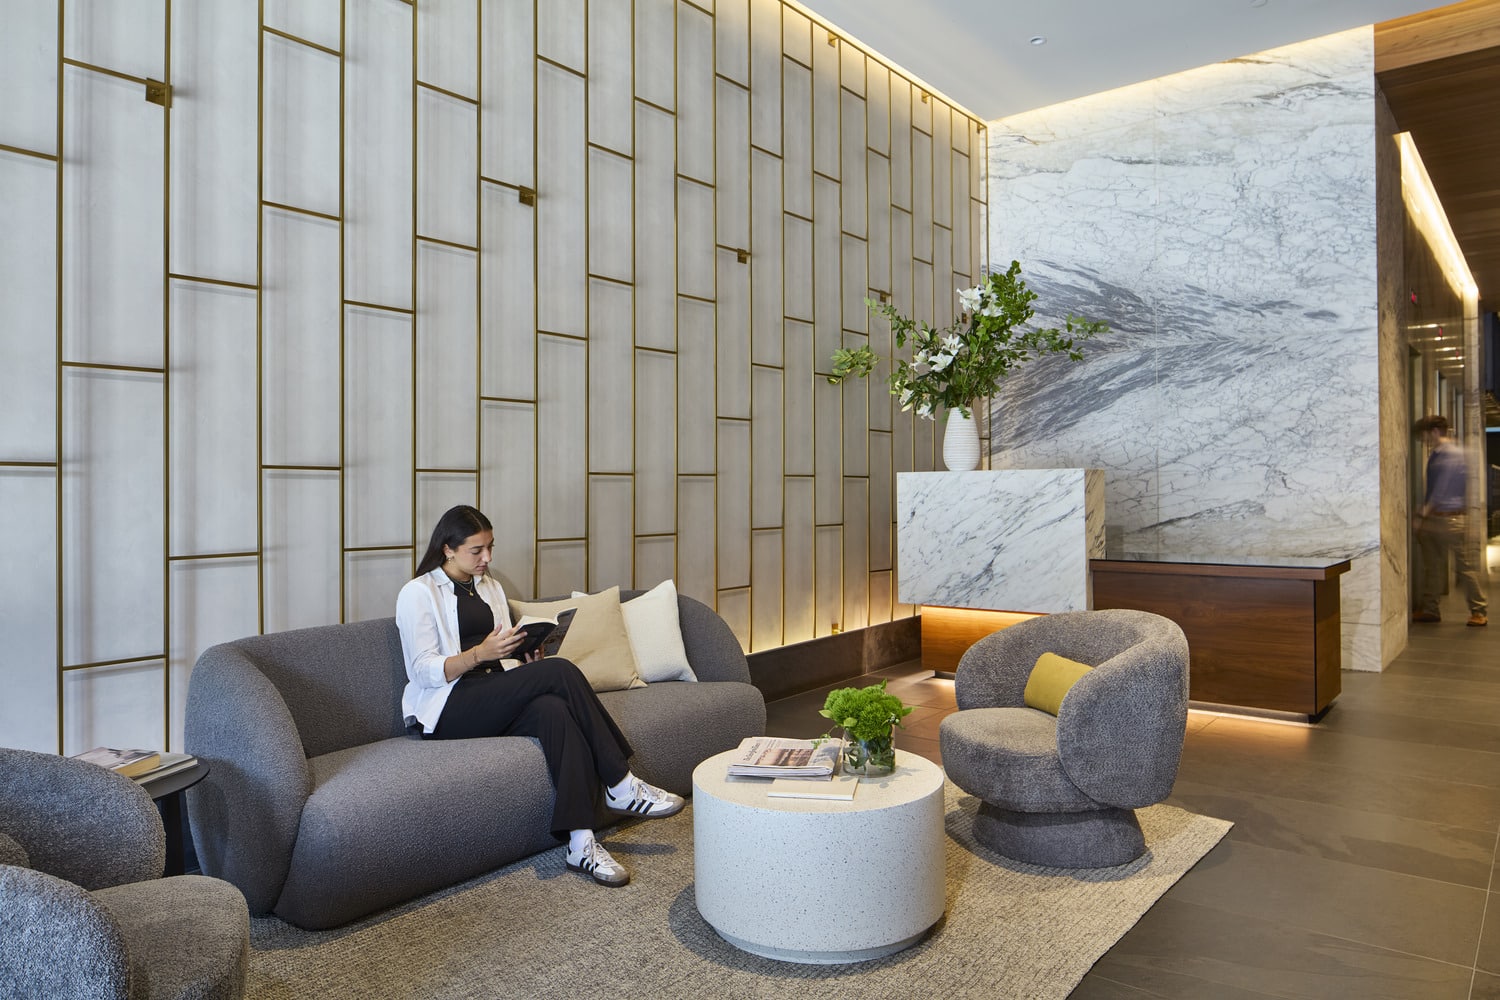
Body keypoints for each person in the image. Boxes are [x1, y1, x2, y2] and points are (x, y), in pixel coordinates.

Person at [396, 504, 684, 887]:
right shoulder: (418, 593)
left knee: (554, 709)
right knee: (560, 672)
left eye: (490, 547)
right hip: (448, 706)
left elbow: (502, 647)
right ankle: (619, 782)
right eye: (476, 550)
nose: (487, 558)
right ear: (447, 549)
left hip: (493, 691)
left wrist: (525, 654)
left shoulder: (489, 586)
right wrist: (479, 654)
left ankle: (581, 843)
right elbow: (421, 670)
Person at [1412, 415, 1487, 627]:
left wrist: (1422, 514)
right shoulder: (1439, 453)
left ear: (1434, 431)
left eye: (1424, 435)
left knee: (1463, 567)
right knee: (1432, 567)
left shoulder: (1450, 454)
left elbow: (1440, 489)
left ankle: (1479, 610)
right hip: (1437, 518)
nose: (1423, 440)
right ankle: (1430, 609)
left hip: (1449, 519)